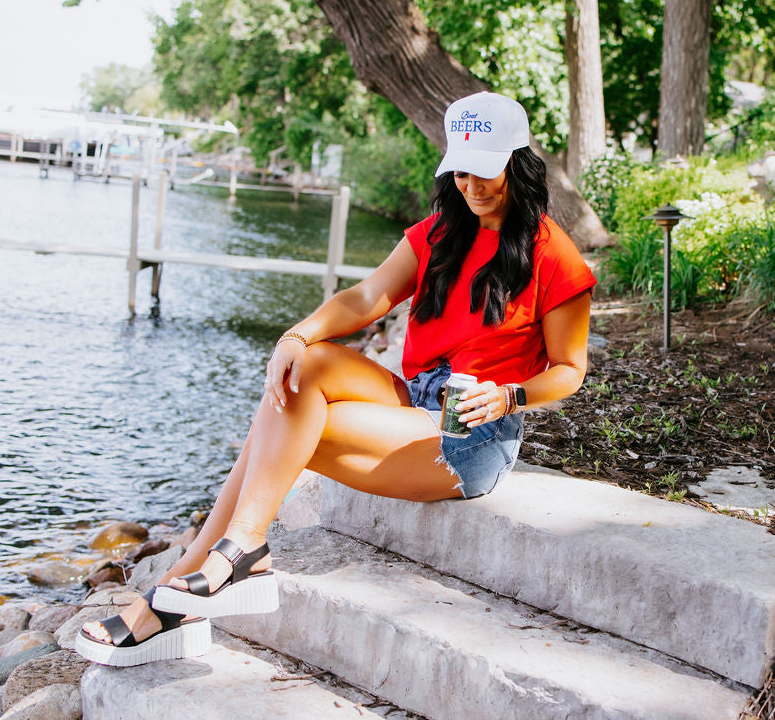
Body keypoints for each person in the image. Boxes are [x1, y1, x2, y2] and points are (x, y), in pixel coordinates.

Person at [75, 91, 596, 666]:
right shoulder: (439, 232)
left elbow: (570, 370)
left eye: (486, 172)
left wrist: (508, 396)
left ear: (518, 164)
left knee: (280, 429)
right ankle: (233, 554)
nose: (472, 185)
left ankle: (181, 585)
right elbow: (368, 296)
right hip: (414, 398)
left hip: (471, 436)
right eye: (461, 170)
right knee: (303, 370)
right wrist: (294, 336)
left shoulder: (555, 256)